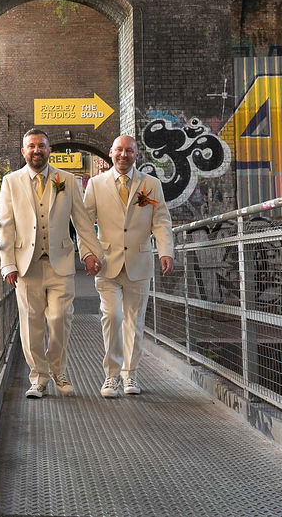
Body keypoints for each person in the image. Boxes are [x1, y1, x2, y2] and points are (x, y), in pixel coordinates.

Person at [0, 129, 101, 399]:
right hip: (26, 265)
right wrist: (7, 263)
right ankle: (39, 378)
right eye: (31, 146)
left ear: (49, 150)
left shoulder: (67, 180)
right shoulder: (11, 182)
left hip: (61, 263)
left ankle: (58, 369)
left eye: (41, 146)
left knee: (59, 320)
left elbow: (82, 221)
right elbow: (6, 226)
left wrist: (91, 253)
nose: (36, 150)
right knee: (31, 324)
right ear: (23, 151)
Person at [83, 135, 174, 398]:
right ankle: (111, 375)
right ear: (111, 152)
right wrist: (88, 253)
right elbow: (85, 222)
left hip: (139, 261)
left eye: (129, 151)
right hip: (107, 262)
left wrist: (165, 251)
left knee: (135, 320)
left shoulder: (151, 185)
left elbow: (160, 220)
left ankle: (130, 374)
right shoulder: (96, 185)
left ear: (137, 155)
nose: (124, 155)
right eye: (119, 150)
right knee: (112, 316)